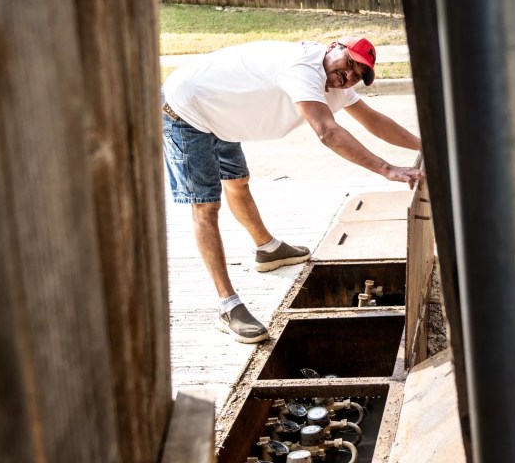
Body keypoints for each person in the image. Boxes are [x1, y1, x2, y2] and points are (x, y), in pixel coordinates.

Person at [161, 37, 423, 343]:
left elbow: (375, 121)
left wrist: (427, 145)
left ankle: (267, 249)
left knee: (238, 182)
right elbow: (327, 132)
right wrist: (387, 168)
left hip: (221, 117)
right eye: (349, 62)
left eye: (359, 74)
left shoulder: (338, 85)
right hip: (187, 111)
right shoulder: (303, 67)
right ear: (333, 47)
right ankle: (227, 306)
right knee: (206, 206)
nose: (349, 74)